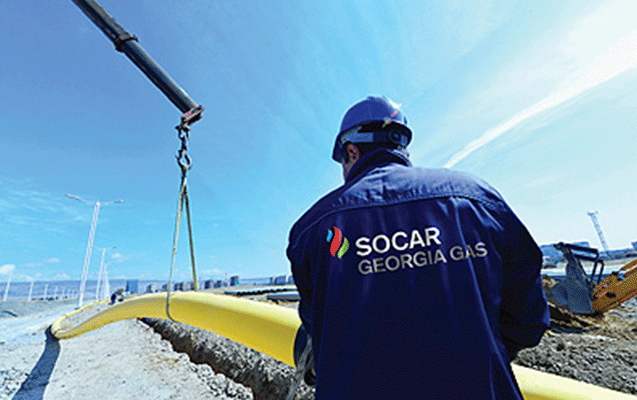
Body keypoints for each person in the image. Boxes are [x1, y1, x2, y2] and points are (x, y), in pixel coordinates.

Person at [286, 96, 550, 399]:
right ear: (401, 147)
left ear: (351, 151)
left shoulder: (312, 229)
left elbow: (319, 328)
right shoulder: (477, 200)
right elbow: (529, 317)